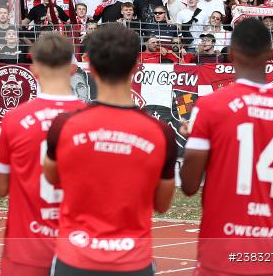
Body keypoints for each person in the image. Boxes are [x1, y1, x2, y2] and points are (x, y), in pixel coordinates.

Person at [43, 24, 176, 275]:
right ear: (136, 66)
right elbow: (162, 204)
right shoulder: (161, 133)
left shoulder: (64, 125)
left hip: (74, 259)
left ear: (90, 68)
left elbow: (52, 176)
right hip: (132, 261)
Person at [180, 18, 273, 275]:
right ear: (271, 55)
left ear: (231, 53)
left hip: (221, 253)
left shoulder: (210, 106)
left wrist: (202, 143)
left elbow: (189, 185)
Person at [0, 33, 85, 275]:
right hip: (77, 250)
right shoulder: (92, 119)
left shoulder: (15, 118)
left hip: (26, 250)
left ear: (34, 70)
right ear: (73, 69)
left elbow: (0, 188)